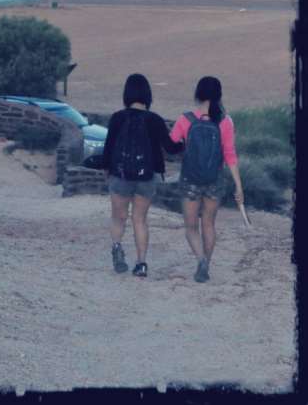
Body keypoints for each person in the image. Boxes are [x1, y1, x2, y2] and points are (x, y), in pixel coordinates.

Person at [103, 74, 184, 278]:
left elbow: (108, 148)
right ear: (147, 94)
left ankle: (117, 247)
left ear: (127, 93)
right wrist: (185, 141)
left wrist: (107, 171)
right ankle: (141, 264)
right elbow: (171, 148)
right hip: (147, 177)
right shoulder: (155, 120)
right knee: (140, 219)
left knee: (119, 217)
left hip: (120, 175)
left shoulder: (117, 117)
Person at [170, 76, 243, 283]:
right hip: (214, 179)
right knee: (209, 224)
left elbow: (172, 144)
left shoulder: (186, 120)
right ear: (219, 95)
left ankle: (200, 259)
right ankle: (206, 265)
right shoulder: (225, 121)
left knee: (191, 227)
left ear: (198, 94)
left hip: (190, 180)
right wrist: (239, 185)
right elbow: (230, 154)